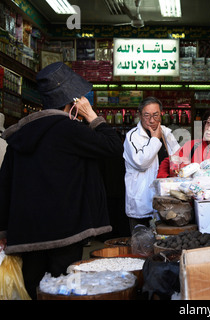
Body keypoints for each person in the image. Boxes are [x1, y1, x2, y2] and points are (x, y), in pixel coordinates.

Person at [0, 62, 123, 299]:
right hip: (65, 232)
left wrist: (3, 230)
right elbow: (113, 147)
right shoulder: (69, 129)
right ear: (73, 102)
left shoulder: (20, 134)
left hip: (27, 234)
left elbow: (4, 184)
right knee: (64, 289)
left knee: (34, 288)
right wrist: (92, 116)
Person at [123, 97, 180, 232]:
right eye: (147, 115)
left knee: (162, 243)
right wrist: (155, 139)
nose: (152, 120)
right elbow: (141, 162)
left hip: (165, 202)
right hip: (141, 201)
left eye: (155, 115)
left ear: (161, 114)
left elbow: (178, 159)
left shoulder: (166, 133)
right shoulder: (132, 137)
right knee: (141, 246)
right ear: (140, 115)